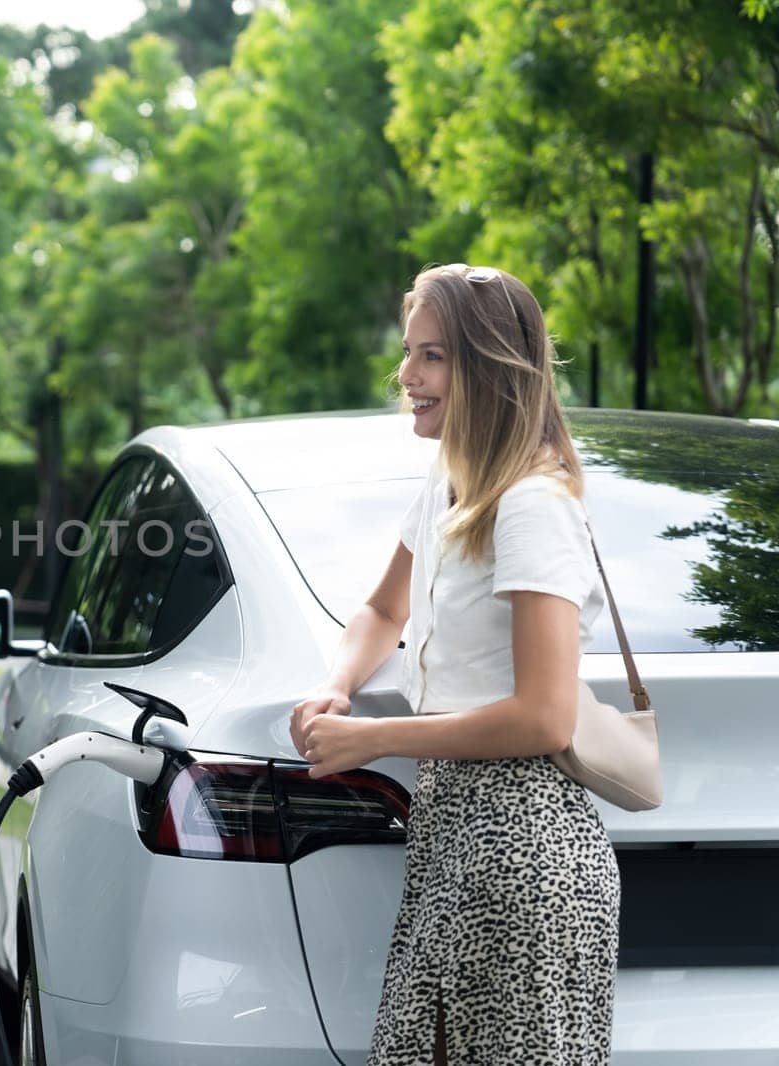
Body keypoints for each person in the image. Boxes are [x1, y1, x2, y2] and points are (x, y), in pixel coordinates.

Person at [289, 264, 619, 1065]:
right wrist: (336, 686)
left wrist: (374, 739)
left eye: (431, 357)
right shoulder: (452, 482)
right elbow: (381, 611)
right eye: (408, 354)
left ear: (488, 366)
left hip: (524, 849)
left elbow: (546, 716)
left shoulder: (532, 505)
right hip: (456, 838)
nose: (407, 377)